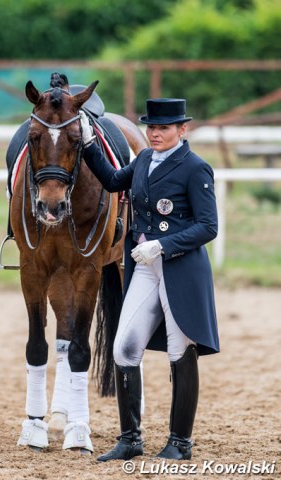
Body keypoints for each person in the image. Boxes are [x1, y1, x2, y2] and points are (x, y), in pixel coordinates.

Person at [79, 98, 220, 462]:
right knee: (124, 346)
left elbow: (208, 226)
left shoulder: (195, 168)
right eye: (151, 127)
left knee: (180, 350)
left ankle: (180, 442)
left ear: (182, 130)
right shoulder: (142, 159)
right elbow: (112, 181)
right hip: (145, 266)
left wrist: (162, 245)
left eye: (164, 128)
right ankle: (130, 438)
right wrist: (89, 143)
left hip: (180, 269)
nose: (155, 133)